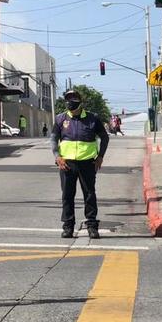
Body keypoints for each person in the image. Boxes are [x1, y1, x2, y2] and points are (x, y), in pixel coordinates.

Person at [50, 89, 110, 239]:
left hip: (87, 163)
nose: (70, 101)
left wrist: (100, 157)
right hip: (67, 164)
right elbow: (53, 139)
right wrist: (57, 156)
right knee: (67, 195)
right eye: (68, 98)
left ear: (80, 100)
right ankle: (68, 227)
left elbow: (104, 137)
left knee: (89, 194)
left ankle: (92, 226)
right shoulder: (60, 119)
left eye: (73, 98)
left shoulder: (92, 119)